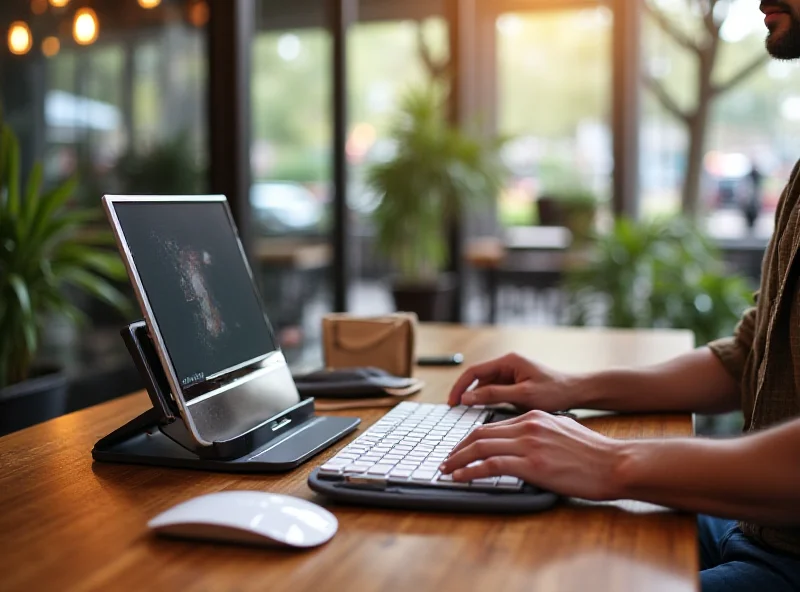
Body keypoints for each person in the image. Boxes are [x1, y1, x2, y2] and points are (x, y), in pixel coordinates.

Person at [440, 2, 800, 590]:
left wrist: (612, 463)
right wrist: (573, 388)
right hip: (758, 524)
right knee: (511, 544)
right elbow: (745, 358)